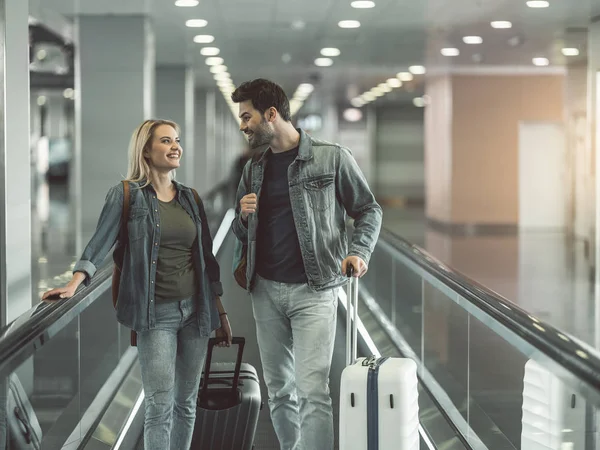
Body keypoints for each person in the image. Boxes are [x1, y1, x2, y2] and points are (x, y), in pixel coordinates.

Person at [42, 119, 232, 450]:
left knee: (186, 403)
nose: (176, 146)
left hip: (197, 312)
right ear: (146, 150)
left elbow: (206, 258)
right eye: (166, 141)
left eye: (177, 140)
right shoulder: (126, 195)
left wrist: (220, 310)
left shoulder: (190, 198)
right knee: (160, 405)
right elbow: (99, 244)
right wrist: (76, 282)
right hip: (155, 314)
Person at [231, 79, 382, 450]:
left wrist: (359, 252)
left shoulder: (331, 158)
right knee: (279, 389)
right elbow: (241, 230)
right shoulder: (254, 169)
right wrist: (242, 215)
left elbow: (368, 210)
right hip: (265, 290)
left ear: (271, 114)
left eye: (247, 116)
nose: (243, 125)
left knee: (312, 389)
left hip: (314, 290)